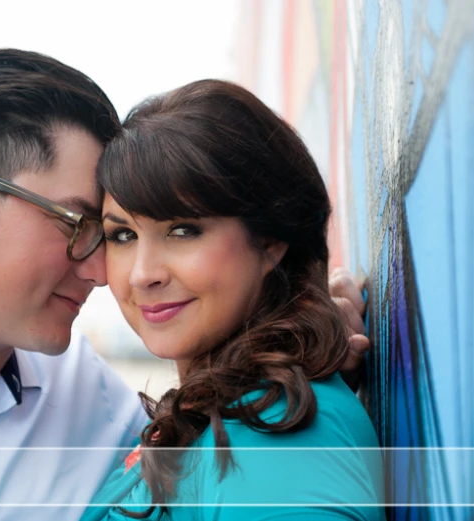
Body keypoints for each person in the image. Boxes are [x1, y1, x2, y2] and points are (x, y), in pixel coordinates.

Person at [0, 50, 371, 520]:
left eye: (105, 235)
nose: (106, 274)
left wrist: (306, 320)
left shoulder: (84, 390)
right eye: (82, 227)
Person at [81, 80, 384, 520]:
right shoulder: (238, 415)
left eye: (183, 230)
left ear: (270, 239)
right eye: (122, 235)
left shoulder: (276, 438)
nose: (143, 274)